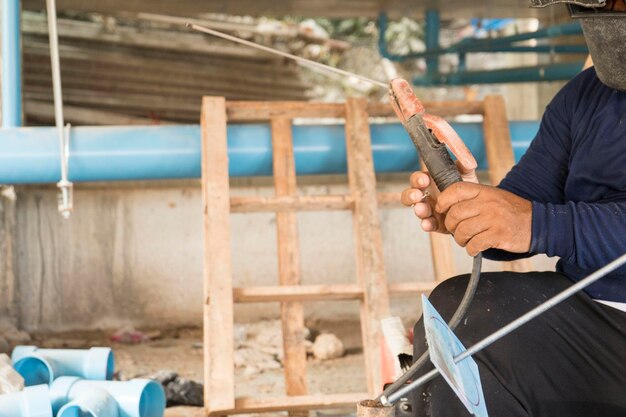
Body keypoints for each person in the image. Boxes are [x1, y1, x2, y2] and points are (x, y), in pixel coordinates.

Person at [401, 2, 626, 416]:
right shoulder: (584, 96)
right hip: (595, 309)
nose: (609, 10)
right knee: (453, 314)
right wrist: (469, 208)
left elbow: (536, 221)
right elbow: (526, 205)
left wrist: (535, 224)